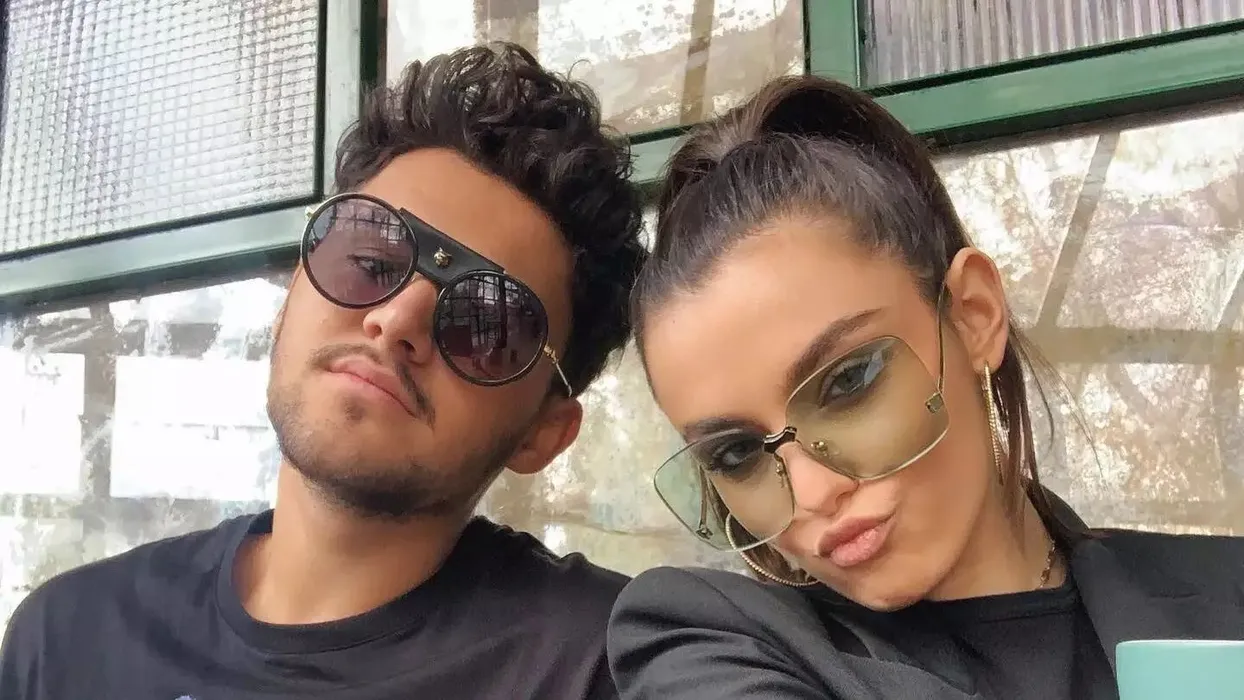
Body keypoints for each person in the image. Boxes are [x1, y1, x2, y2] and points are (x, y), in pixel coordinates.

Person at [0, 43, 646, 699]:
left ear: (544, 433)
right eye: (369, 260)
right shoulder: (66, 643)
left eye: (486, 322)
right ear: (289, 301)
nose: (396, 319)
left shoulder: (607, 671)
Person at [606, 74, 1244, 700]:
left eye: (848, 383)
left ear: (973, 316)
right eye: (738, 452)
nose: (813, 494)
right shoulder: (706, 649)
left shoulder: (1226, 594)